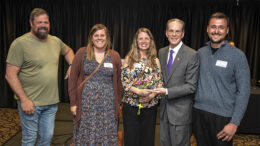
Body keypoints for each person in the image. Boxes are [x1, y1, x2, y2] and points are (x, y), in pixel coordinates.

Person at [5, 8, 74, 146]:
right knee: (29, 139)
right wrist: (24, 100)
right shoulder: (20, 44)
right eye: (39, 22)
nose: (43, 25)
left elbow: (68, 51)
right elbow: (10, 75)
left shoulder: (55, 41)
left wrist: (72, 64)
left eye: (46, 22)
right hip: (30, 103)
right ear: (31, 23)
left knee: (47, 137)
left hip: (51, 103)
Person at [192, 12, 251, 146]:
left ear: (227, 30)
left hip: (223, 118)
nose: (216, 31)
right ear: (207, 29)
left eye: (221, 27)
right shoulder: (199, 53)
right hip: (199, 114)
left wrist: (234, 123)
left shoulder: (238, 56)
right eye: (213, 27)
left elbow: (244, 92)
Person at [68, 24, 122, 145]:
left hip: (108, 105)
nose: (99, 38)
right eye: (96, 35)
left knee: (107, 134)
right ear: (91, 38)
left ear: (107, 37)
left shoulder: (114, 55)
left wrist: (118, 104)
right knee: (86, 133)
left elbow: (118, 82)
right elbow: (72, 79)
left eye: (102, 35)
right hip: (86, 105)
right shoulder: (82, 53)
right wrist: (73, 103)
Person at [153, 18, 199, 146]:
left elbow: (191, 86)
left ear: (182, 34)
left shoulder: (192, 54)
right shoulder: (162, 52)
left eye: (177, 31)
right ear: (166, 33)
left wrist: (166, 91)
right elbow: (161, 78)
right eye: (171, 31)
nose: (174, 34)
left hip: (181, 114)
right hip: (164, 112)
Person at [121, 27, 163, 146]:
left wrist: (152, 95)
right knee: (131, 138)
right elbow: (124, 81)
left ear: (150, 41)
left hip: (150, 106)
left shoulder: (155, 60)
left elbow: (159, 82)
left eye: (146, 38)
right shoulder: (129, 58)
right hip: (131, 105)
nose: (143, 41)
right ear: (136, 41)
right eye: (140, 39)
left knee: (147, 139)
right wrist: (138, 91)